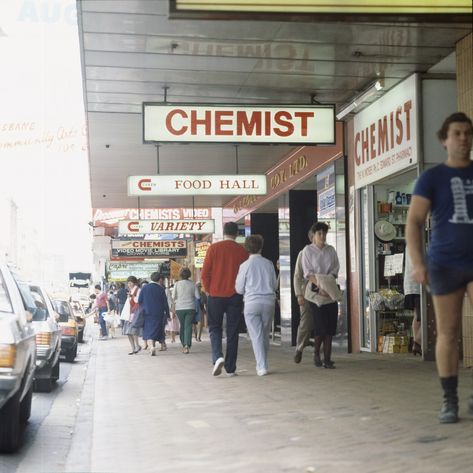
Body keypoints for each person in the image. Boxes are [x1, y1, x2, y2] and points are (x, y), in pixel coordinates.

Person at [406, 112, 473, 424]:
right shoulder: (431, 178)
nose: (463, 139)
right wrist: (418, 263)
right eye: (457, 133)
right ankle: (450, 400)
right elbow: (414, 222)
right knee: (448, 332)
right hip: (444, 263)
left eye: (467, 133)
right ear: (444, 140)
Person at [201, 221, 249, 376]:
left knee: (214, 327)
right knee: (233, 331)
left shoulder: (213, 249)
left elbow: (205, 274)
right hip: (235, 296)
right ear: (237, 233)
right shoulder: (242, 252)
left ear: (224, 231)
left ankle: (217, 356)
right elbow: (245, 276)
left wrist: (209, 290)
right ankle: (230, 367)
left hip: (215, 296)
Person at [235, 235, 277, 376]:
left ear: (247, 248)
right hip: (268, 302)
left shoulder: (245, 265)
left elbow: (239, 289)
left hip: (252, 303)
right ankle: (263, 363)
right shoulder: (269, 264)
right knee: (264, 335)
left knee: (256, 336)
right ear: (261, 246)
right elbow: (274, 284)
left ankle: (262, 366)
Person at [301, 222, 340, 369]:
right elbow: (308, 273)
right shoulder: (308, 251)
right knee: (321, 326)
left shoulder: (331, 250)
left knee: (330, 327)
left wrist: (328, 285)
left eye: (324, 233)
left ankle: (328, 359)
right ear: (313, 235)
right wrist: (320, 286)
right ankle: (317, 352)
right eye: (319, 234)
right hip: (315, 292)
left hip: (330, 288)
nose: (322, 236)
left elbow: (335, 269)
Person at [293, 229, 315, 363]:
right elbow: (297, 275)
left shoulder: (326, 252)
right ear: (311, 237)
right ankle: (299, 348)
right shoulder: (303, 253)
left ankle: (319, 352)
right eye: (318, 234)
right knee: (306, 322)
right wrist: (298, 294)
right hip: (306, 292)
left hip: (322, 292)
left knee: (321, 322)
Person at [138, 272, 169, 356]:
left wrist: (144, 307)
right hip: (159, 313)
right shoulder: (161, 289)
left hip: (147, 312)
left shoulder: (144, 288)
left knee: (149, 329)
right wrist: (168, 314)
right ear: (160, 279)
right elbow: (165, 303)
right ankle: (159, 345)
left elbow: (139, 300)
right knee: (157, 328)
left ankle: (152, 346)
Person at [173, 268, 200, 354]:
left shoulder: (176, 284)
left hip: (179, 308)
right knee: (188, 326)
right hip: (190, 308)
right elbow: (198, 297)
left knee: (182, 326)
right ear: (189, 274)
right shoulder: (193, 284)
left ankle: (183, 344)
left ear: (180, 275)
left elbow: (173, 296)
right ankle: (187, 345)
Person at [403, 247, 422, 356]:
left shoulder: (411, 243)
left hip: (412, 285)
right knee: (423, 317)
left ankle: (417, 343)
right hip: (417, 286)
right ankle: (417, 342)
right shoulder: (417, 243)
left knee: (417, 316)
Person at [122, 276, 142, 355]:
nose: (129, 284)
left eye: (130, 283)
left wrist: (132, 296)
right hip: (129, 313)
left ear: (134, 282)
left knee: (133, 331)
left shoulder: (138, 290)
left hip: (135, 312)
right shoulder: (131, 290)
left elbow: (139, 300)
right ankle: (133, 347)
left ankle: (137, 346)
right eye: (128, 283)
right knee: (128, 332)